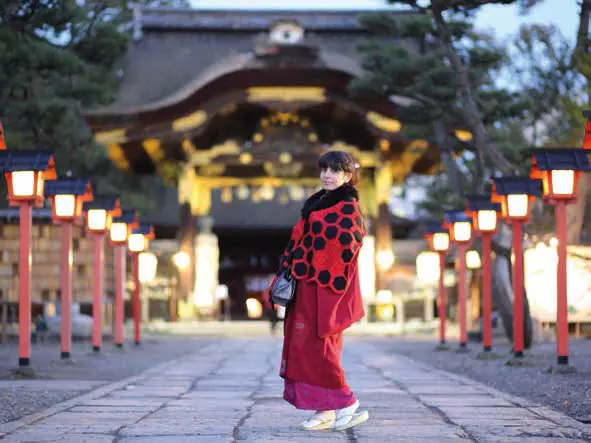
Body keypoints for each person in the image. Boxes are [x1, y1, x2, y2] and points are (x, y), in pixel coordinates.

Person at [270, 150, 369, 431]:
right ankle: (324, 410)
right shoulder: (316, 204)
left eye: (335, 170)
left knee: (321, 346)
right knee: (304, 346)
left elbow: (346, 246)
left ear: (348, 176)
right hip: (306, 286)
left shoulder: (347, 207)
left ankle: (348, 404)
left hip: (325, 289)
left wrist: (305, 259)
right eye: (324, 169)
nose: (327, 174)